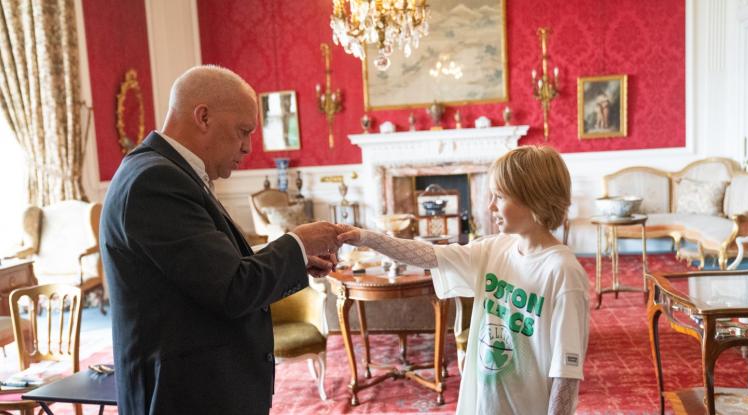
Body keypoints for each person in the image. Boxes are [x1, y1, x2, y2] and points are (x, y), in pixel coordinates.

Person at [100, 65, 342, 414]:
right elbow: (231, 288)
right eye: (243, 131)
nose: (248, 147)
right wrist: (298, 241)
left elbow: (206, 267)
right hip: (184, 395)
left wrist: (295, 258)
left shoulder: (168, 172)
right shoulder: (155, 181)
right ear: (203, 117)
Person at [337, 146, 590, 414]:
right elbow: (429, 255)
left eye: (500, 196)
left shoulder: (563, 272)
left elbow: (566, 374)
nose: (490, 205)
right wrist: (365, 237)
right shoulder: (495, 248)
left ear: (533, 199)